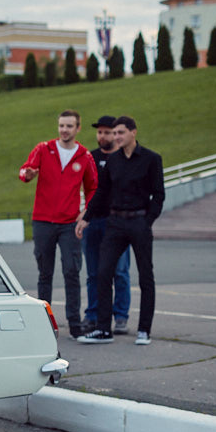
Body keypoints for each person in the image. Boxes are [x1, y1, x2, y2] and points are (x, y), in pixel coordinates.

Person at [76, 116, 165, 346]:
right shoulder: (112, 161)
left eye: (120, 133)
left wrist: (148, 221)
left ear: (133, 133)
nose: (116, 137)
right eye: (114, 133)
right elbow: (102, 192)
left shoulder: (151, 159)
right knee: (103, 272)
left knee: (145, 276)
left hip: (139, 222)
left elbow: (159, 194)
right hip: (115, 223)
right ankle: (104, 329)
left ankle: (144, 330)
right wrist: (86, 218)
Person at [18, 110, 99, 338]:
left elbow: (93, 187)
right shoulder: (44, 149)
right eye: (61, 125)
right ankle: (45, 324)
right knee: (45, 273)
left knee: (71, 271)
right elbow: (24, 170)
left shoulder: (84, 156)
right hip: (42, 220)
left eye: (69, 126)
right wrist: (28, 175)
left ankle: (74, 325)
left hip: (68, 224)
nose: (64, 130)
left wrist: (86, 213)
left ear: (77, 128)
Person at [80, 116, 132, 335]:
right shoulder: (89, 158)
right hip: (93, 221)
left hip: (117, 222)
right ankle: (92, 315)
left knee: (120, 272)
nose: (102, 136)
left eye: (107, 132)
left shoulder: (124, 158)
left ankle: (120, 316)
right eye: (99, 132)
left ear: (117, 134)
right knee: (93, 273)